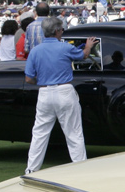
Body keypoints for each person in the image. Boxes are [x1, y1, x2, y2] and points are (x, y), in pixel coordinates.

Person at [24, 17, 97, 174]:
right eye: (61, 29)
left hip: (44, 92)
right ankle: (81, 168)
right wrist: (89, 46)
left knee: (39, 134)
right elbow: (83, 55)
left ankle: (31, 169)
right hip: (64, 91)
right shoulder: (64, 47)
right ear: (57, 30)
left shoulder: (36, 51)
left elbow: (29, 78)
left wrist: (42, 80)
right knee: (73, 133)